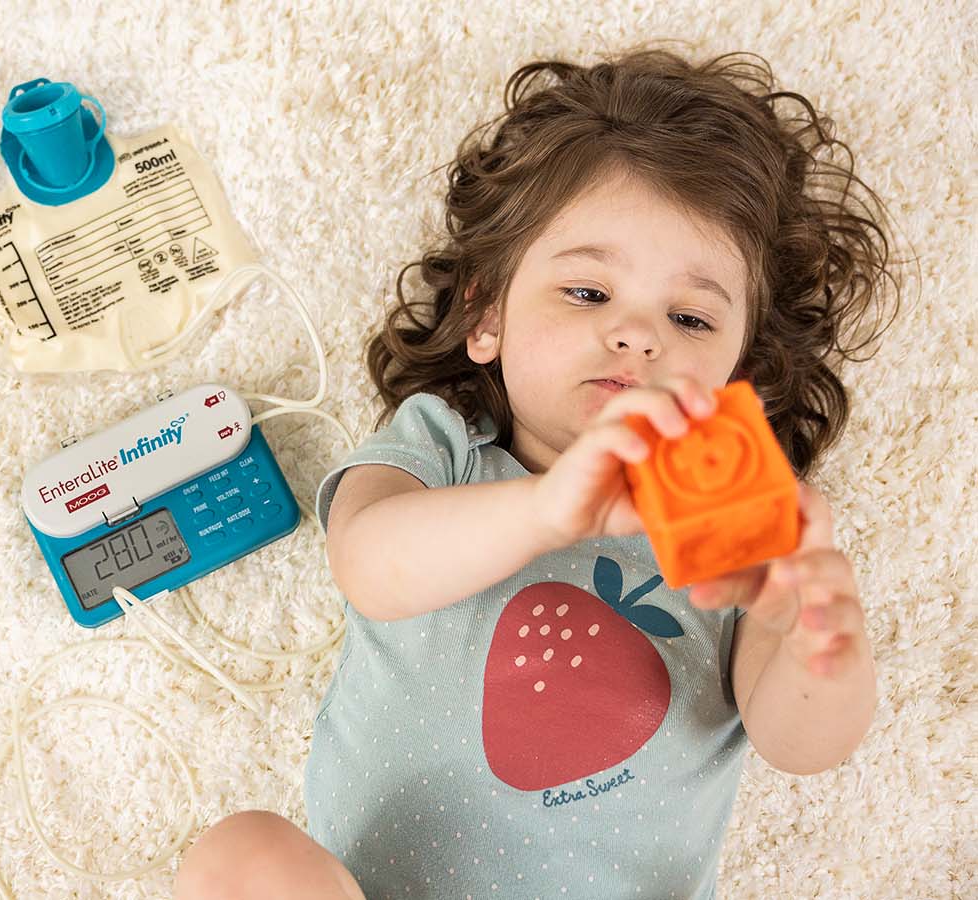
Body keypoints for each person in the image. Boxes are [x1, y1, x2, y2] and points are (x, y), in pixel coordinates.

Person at [174, 44, 902, 900]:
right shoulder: (444, 445)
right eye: (588, 294)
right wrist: (551, 508)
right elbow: (367, 563)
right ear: (485, 316)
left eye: (690, 316)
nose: (639, 336)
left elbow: (798, 745)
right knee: (239, 857)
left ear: (738, 375)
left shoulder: (743, 526)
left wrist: (822, 649)